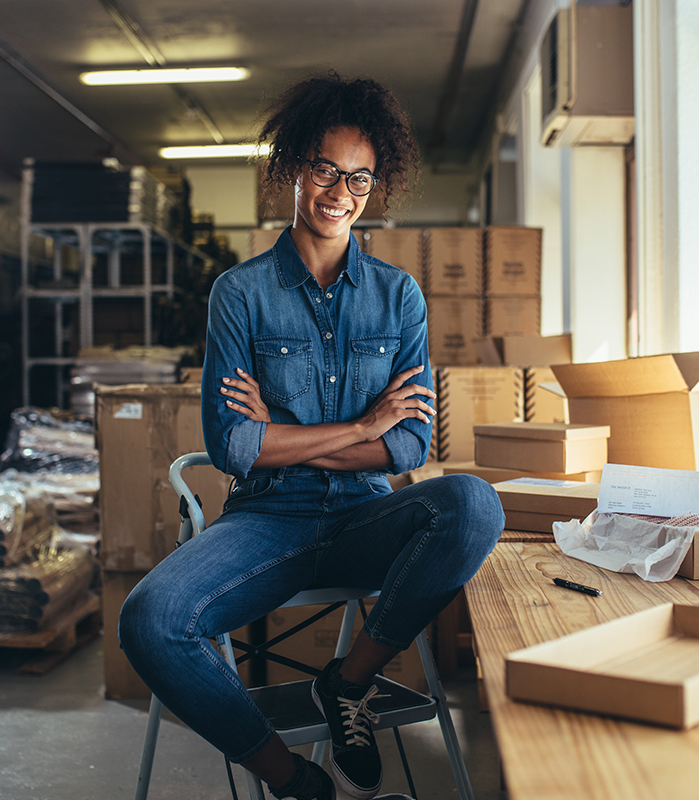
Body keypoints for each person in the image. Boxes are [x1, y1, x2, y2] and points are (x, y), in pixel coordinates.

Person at [119, 71, 504, 800]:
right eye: (326, 169)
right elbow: (234, 449)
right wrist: (362, 425)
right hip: (269, 518)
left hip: (366, 514)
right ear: (295, 166)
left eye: (360, 178)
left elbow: (409, 448)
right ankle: (294, 782)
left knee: (474, 505)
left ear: (374, 185)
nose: (340, 191)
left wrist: (287, 434)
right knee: (152, 619)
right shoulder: (240, 294)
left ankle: (348, 683)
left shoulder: (400, 296)